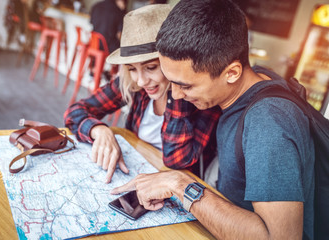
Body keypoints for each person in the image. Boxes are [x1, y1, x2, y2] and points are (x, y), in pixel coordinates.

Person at [111, 0, 315, 239]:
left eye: (184, 85)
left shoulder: (268, 122)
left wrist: (180, 184)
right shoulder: (255, 79)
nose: (175, 95)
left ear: (232, 73)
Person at [64, 4, 221, 184]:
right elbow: (74, 112)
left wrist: (174, 89)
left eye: (151, 67)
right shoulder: (135, 84)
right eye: (132, 69)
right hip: (135, 174)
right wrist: (99, 130)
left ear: (172, 60)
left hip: (178, 187)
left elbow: (176, 160)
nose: (140, 81)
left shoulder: (201, 98)